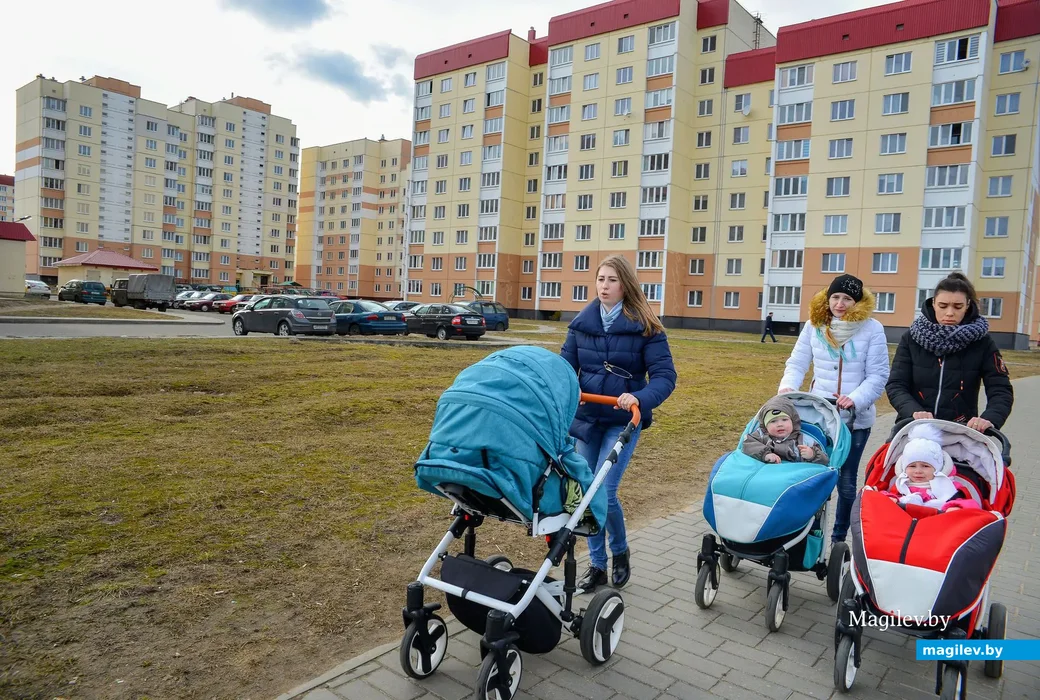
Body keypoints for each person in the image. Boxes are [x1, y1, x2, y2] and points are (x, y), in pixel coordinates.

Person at [561, 254, 677, 591]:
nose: (604, 286)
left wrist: (639, 397)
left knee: (605, 492)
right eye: (600, 279)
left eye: (611, 280)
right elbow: (565, 369)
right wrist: (571, 392)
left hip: (623, 419)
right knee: (585, 491)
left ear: (625, 285)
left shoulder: (646, 328)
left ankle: (620, 551)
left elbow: (665, 376)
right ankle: (597, 565)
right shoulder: (581, 325)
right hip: (588, 418)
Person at [778, 274, 890, 543]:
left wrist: (855, 398)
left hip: (854, 419)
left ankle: (839, 537)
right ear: (828, 299)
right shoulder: (814, 326)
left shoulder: (872, 329)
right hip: (820, 414)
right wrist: (787, 388)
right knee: (814, 472)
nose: (840, 304)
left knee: (847, 479)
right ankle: (807, 532)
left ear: (857, 302)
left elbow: (878, 374)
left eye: (847, 299)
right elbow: (797, 362)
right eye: (836, 297)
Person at [886, 272, 1013, 433]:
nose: (949, 313)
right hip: (915, 428)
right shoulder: (912, 338)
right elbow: (896, 384)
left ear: (968, 305)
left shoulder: (982, 343)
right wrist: (913, 412)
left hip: (961, 431)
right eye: (943, 306)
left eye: (958, 306)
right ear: (933, 303)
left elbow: (1000, 389)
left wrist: (989, 418)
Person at [884, 423, 979, 512]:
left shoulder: (949, 486)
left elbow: (971, 505)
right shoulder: (901, 485)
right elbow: (887, 496)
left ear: (938, 468)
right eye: (912, 466)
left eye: (925, 466)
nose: (918, 471)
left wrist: (955, 507)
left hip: (940, 524)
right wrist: (890, 499)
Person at [741, 396, 828, 465]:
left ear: (793, 422)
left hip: (794, 478)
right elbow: (748, 445)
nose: (780, 424)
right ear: (765, 426)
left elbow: (825, 460)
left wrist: (813, 455)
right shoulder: (761, 435)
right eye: (773, 421)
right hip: (767, 475)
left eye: (784, 420)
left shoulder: (805, 440)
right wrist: (765, 454)